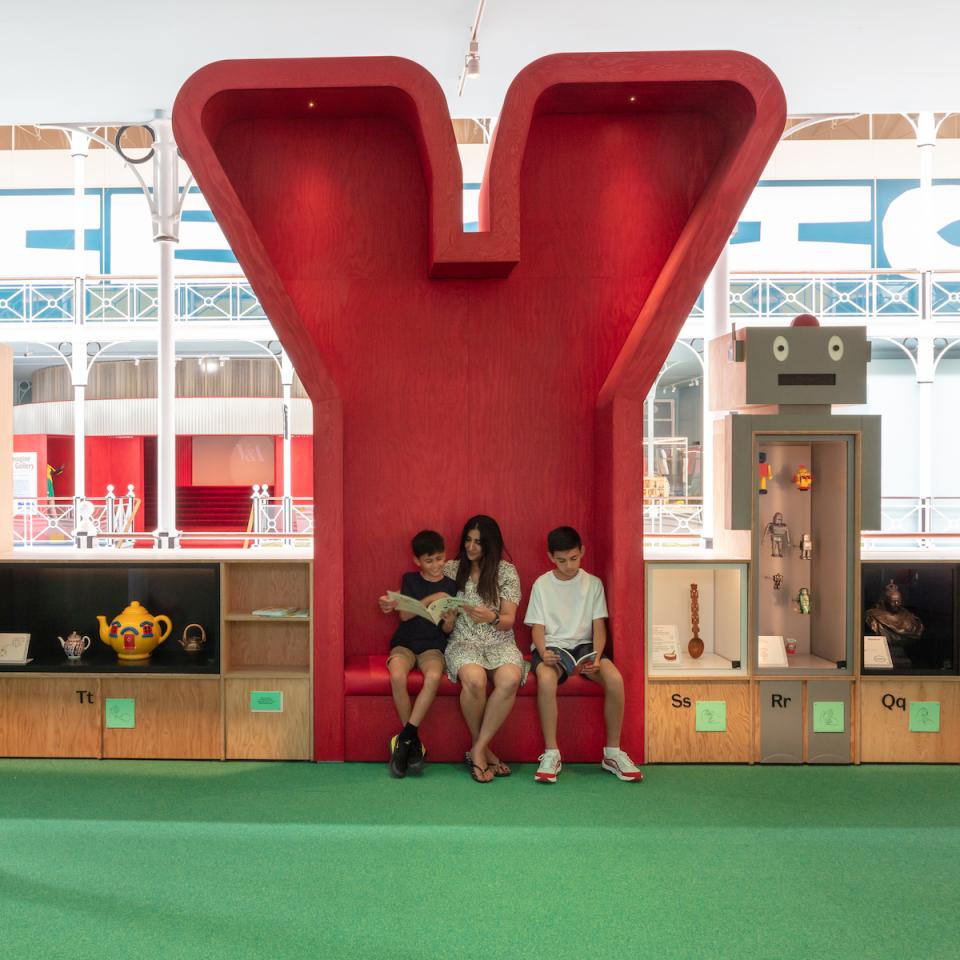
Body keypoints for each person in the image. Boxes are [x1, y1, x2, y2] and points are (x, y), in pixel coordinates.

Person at [524, 526, 643, 783]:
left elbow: (598, 625)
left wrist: (598, 657)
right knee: (545, 679)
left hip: (586, 647)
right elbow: (538, 627)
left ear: (582, 552)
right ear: (550, 557)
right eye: (562, 560)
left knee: (615, 679)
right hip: (553, 646)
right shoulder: (542, 584)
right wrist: (543, 652)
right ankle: (551, 753)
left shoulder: (593, 583)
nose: (569, 565)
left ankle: (613, 752)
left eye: (574, 558)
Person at [443, 515, 525, 783]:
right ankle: (484, 750)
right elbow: (435, 601)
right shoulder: (451, 569)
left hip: (499, 640)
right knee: (475, 680)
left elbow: (509, 620)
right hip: (463, 641)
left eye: (478, 542)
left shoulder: (506, 571)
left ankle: (477, 749)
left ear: (491, 544)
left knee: (510, 679)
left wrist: (490, 617)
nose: (471, 547)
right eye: (468, 540)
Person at [378, 530, 458, 777]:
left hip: (433, 645)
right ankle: (413, 744)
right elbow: (404, 615)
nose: (436, 565)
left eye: (439, 558)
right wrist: (433, 597)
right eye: (429, 560)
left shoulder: (452, 585)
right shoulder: (410, 579)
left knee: (433, 677)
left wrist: (450, 619)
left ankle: (405, 740)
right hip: (405, 643)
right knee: (397, 675)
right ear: (417, 561)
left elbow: (446, 629)